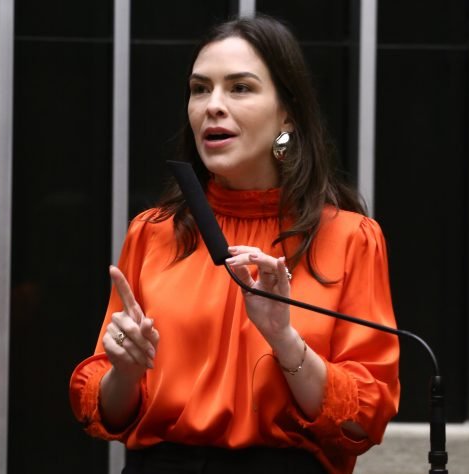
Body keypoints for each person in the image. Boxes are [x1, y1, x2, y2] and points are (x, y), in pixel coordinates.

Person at [70, 14, 400, 474]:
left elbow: (363, 422)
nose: (213, 106)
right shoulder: (152, 232)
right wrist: (124, 371)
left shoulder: (351, 238)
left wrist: (284, 339)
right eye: (200, 89)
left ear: (288, 113)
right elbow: (106, 412)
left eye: (240, 88)